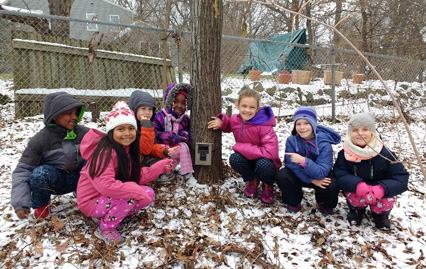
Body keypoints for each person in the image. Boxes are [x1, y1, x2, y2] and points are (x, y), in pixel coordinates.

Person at [76, 101, 173, 245]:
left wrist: (161, 166)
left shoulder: (126, 150)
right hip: (90, 201)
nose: (127, 133)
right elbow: (106, 186)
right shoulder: (105, 153)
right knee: (129, 196)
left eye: (131, 128)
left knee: (148, 193)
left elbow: (136, 176)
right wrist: (135, 191)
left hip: (105, 197)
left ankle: (110, 214)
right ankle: (105, 229)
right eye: (120, 129)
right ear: (111, 132)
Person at [11, 92, 89, 220]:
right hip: (55, 181)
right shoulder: (40, 140)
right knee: (39, 174)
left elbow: (106, 143)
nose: (74, 117)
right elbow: (22, 171)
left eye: (76, 113)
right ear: (55, 116)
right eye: (69, 113)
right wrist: (20, 203)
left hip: (79, 178)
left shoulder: (84, 133)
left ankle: (85, 195)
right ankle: (42, 208)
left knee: (96, 162)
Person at [333, 112, 409, 229]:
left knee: (386, 198)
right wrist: (357, 185)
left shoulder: (385, 154)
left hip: (380, 192)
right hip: (358, 190)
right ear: (349, 133)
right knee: (353, 194)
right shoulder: (345, 154)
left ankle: (380, 215)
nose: (360, 133)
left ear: (372, 132)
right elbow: (339, 174)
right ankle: (357, 211)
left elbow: (401, 178)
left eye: (365, 129)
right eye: (355, 130)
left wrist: (382, 188)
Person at [208, 88, 281, 204]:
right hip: (249, 160)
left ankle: (267, 185)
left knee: (263, 164)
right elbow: (229, 125)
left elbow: (270, 152)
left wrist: (241, 147)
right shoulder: (236, 120)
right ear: (238, 105)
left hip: (266, 161)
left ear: (257, 108)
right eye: (244, 106)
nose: (247, 110)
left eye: (252, 107)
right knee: (235, 159)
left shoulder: (264, 125)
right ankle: (252, 180)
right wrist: (221, 122)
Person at [275, 106, 341, 215]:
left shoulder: (324, 143)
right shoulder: (291, 140)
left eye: (306, 123)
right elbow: (291, 166)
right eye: (298, 124)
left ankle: (324, 204)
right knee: (283, 174)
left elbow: (321, 172)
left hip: (320, 177)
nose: (302, 127)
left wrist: (303, 161)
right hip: (301, 175)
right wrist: (311, 180)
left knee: (331, 183)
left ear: (313, 124)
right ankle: (294, 202)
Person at [153, 83, 193, 180]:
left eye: (183, 103)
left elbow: (186, 131)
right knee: (166, 151)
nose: (179, 105)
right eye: (175, 101)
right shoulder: (160, 116)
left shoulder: (184, 119)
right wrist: (169, 137)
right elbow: (155, 132)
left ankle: (180, 170)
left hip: (175, 146)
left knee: (183, 148)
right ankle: (163, 170)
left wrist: (184, 135)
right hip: (162, 146)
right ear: (169, 100)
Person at [128, 90, 179, 168]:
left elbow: (151, 147)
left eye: (150, 109)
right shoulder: (129, 128)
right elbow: (145, 150)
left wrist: (164, 151)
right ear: (134, 110)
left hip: (144, 161)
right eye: (143, 108)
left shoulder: (149, 125)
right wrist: (146, 126)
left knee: (164, 162)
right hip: (132, 165)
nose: (147, 112)